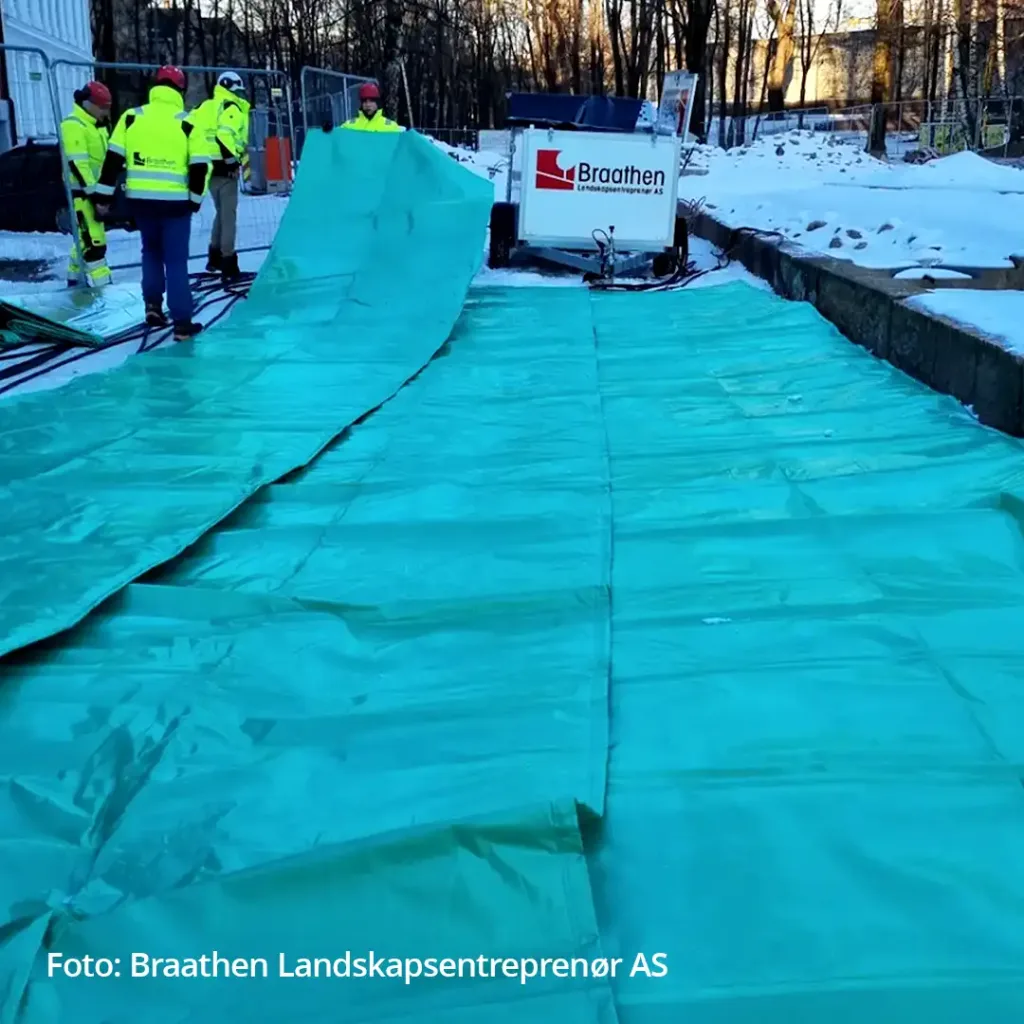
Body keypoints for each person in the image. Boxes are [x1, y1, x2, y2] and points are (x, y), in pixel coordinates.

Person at [94, 65, 211, 341]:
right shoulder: (189, 122)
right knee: (176, 261)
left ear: (155, 87)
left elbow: (111, 162)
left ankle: (153, 308)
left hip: (141, 202)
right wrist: (194, 201)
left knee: (151, 252)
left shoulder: (132, 118)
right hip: (176, 205)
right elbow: (199, 168)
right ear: (180, 90)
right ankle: (182, 323)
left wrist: (103, 197)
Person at [194, 70, 251, 282]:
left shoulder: (204, 107)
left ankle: (214, 256)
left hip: (206, 167)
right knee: (229, 216)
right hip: (225, 168)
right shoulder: (231, 108)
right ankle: (228, 262)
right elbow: (224, 134)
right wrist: (232, 162)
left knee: (221, 212)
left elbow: (188, 128)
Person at [60, 81, 113, 288]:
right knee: (95, 246)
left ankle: (73, 286)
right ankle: (106, 292)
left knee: (83, 243)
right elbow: (77, 163)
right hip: (82, 195)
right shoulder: (74, 125)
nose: (105, 112)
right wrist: (96, 195)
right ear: (89, 104)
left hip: (92, 193)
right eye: (102, 107)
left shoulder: (95, 126)